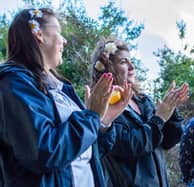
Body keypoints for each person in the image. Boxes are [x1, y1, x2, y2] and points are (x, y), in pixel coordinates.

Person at [0, 8, 132, 187]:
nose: (64, 40)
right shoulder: (13, 84)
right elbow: (44, 152)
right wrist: (91, 115)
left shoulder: (63, 89)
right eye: (59, 33)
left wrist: (103, 121)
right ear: (39, 34)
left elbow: (86, 153)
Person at [91, 36, 189, 187]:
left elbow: (168, 141)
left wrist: (170, 109)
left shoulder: (143, 100)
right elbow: (130, 145)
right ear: (108, 67)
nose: (131, 67)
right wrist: (159, 118)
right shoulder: (104, 105)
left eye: (132, 61)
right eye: (123, 62)